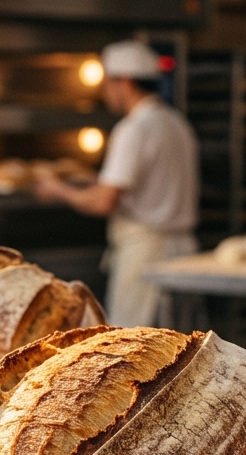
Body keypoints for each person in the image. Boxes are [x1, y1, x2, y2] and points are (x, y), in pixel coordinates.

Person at [35, 40, 198, 327]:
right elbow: (149, 185)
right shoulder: (176, 124)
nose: (104, 92)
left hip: (145, 253)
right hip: (183, 253)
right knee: (181, 345)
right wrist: (96, 180)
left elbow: (104, 202)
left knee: (135, 347)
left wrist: (59, 190)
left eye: (107, 83)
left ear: (124, 81)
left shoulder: (133, 129)